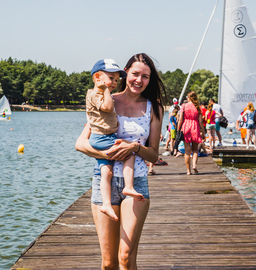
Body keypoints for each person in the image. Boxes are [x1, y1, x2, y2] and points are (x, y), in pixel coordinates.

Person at [75, 53, 165, 269]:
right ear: (125, 74)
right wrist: (109, 155)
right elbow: (80, 143)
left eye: (145, 76)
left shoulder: (155, 108)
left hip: (136, 182)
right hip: (104, 183)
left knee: (126, 257)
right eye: (135, 74)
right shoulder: (106, 101)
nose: (139, 80)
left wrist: (134, 147)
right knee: (108, 263)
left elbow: (154, 154)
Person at [86, 59, 143, 222]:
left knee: (106, 171)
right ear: (97, 77)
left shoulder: (98, 93)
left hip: (104, 137)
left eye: (117, 80)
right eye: (111, 78)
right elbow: (108, 108)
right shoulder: (95, 94)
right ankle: (129, 186)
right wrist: (105, 91)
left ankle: (106, 203)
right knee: (129, 153)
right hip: (102, 138)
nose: (114, 83)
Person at [178, 91, 205, 175]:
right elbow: (201, 122)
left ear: (188, 98)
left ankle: (188, 171)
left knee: (187, 151)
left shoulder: (184, 106)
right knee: (195, 149)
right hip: (195, 127)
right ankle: (194, 165)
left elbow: (180, 119)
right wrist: (203, 132)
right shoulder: (198, 107)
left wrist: (178, 130)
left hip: (186, 127)